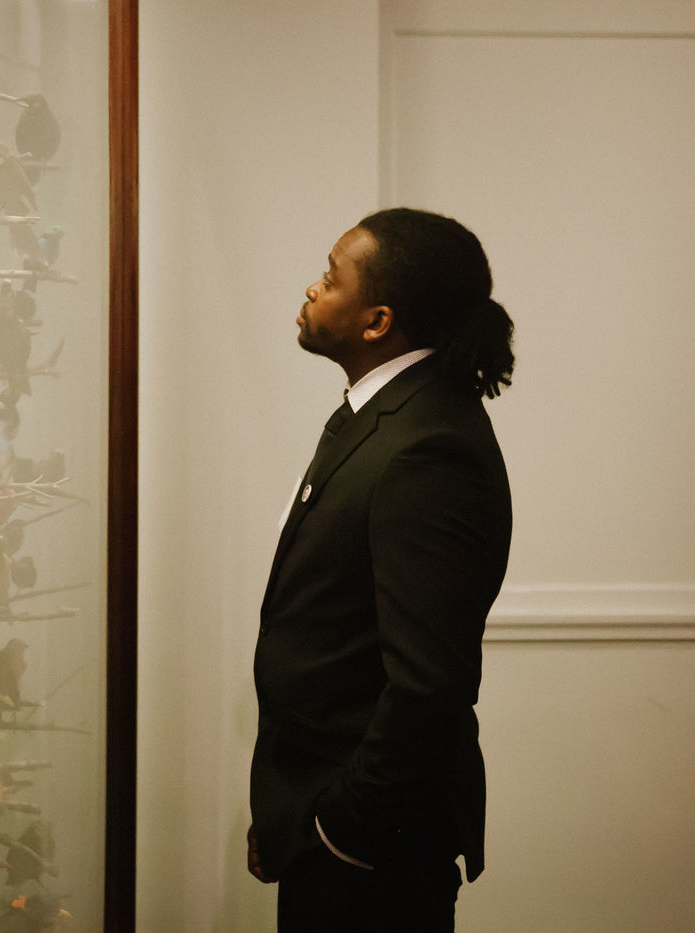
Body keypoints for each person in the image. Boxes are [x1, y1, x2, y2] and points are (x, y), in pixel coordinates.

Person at [247, 207, 514, 931]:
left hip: (369, 856)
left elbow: (429, 681)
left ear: (377, 321)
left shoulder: (427, 446)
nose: (311, 288)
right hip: (320, 823)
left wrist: (340, 828)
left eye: (331, 278)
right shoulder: (386, 415)